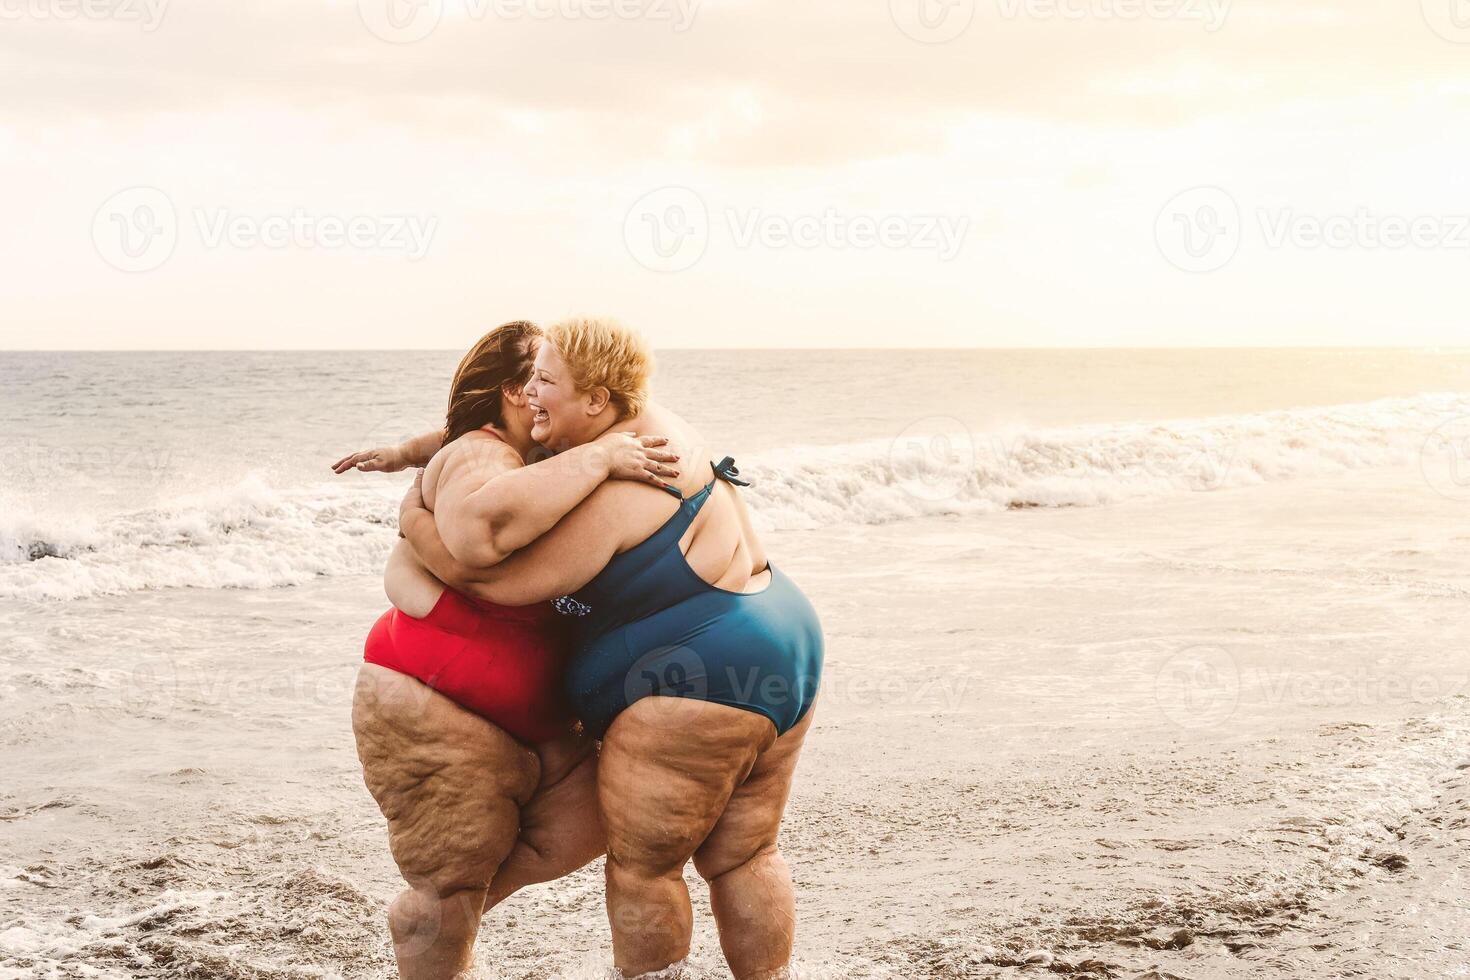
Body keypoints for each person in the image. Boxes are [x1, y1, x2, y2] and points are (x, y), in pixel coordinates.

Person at [399, 316, 823, 980]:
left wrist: (413, 523)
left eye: (544, 381)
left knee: (647, 870)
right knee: (744, 854)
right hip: (780, 635)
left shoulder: (628, 479)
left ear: (596, 401)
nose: (529, 395)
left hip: (699, 674)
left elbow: (496, 578)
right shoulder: (652, 425)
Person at [336, 320, 682, 980]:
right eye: (537, 375)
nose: (548, 382)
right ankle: (437, 915)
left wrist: (402, 457)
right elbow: (477, 525)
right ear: (510, 393)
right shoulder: (483, 454)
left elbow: (435, 440)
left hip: (522, 714)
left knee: (619, 810)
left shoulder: (533, 453)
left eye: (555, 374)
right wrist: (600, 459)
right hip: (432, 702)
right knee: (454, 874)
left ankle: (443, 915)